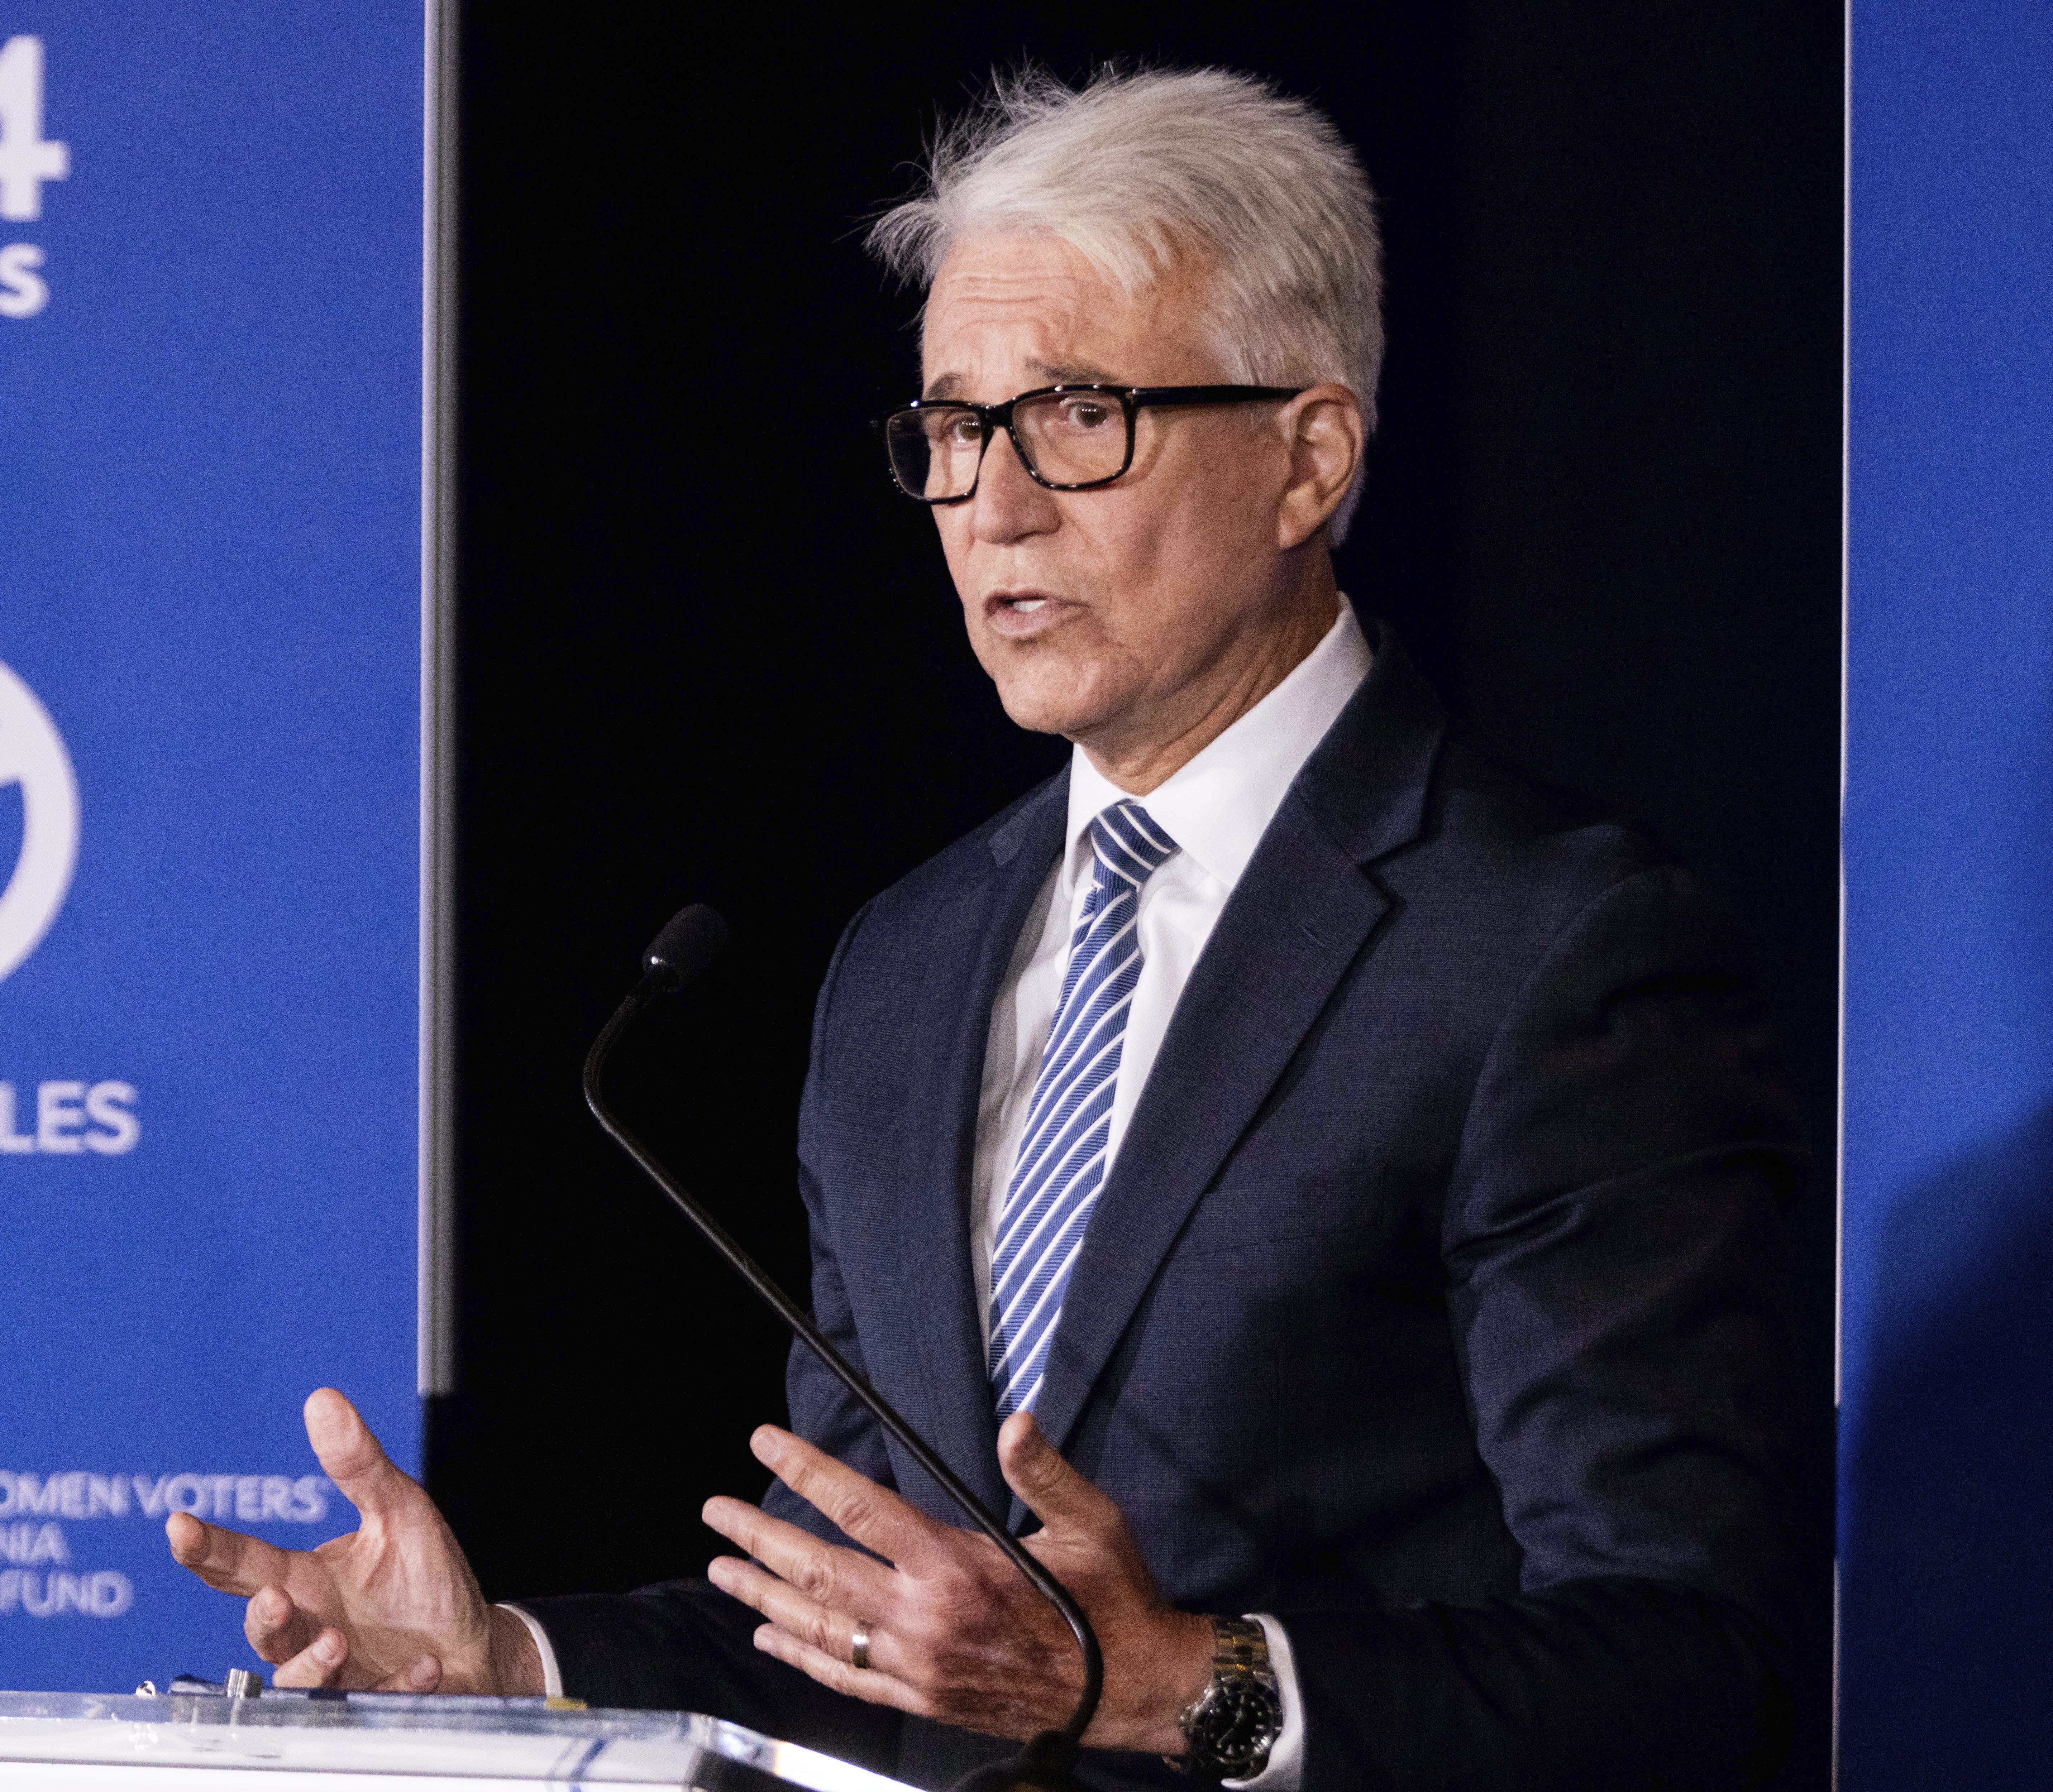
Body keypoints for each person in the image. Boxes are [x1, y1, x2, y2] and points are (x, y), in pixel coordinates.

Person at [169, 67, 1805, 1790]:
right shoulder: (908, 961)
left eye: (1077, 416)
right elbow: (887, 1629)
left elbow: (1690, 1668)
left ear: (1306, 459)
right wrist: (511, 1659)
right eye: (951, 430)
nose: (991, 509)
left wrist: (1170, 1688)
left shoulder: (1551, 950)